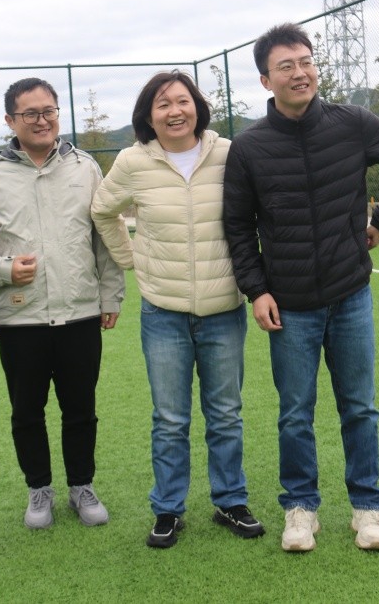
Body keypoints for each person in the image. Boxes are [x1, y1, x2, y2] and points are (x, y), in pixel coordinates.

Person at [223, 23, 379, 552]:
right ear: (266, 80)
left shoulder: (351, 123)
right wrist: (257, 290)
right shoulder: (249, 148)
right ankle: (300, 508)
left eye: (306, 61)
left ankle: (368, 508)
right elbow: (238, 226)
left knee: (359, 407)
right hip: (289, 306)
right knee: (295, 414)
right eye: (286, 66)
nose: (300, 73)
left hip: (350, 293)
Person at [90, 70, 264, 549]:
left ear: (197, 107)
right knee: (170, 419)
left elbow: (256, 211)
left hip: (223, 308)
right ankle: (168, 508)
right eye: (162, 104)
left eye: (182, 101)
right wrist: (130, 258)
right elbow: (103, 209)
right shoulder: (133, 161)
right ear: (149, 116)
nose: (174, 111)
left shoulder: (228, 153)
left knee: (225, 413)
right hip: (162, 313)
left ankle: (230, 501)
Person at [0, 77, 125, 530]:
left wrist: (110, 294)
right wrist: (2, 268)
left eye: (48, 111)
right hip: (20, 317)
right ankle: (39, 490)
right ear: (10, 120)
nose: (41, 120)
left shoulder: (85, 168)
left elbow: (106, 234)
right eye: (30, 113)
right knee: (26, 413)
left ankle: (81, 487)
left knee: (81, 409)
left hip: (80, 313)